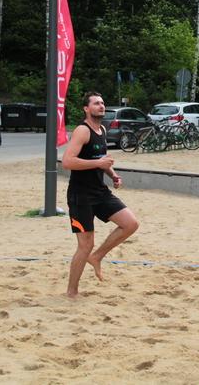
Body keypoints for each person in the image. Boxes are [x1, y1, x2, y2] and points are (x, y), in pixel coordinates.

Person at [62, 91, 140, 298]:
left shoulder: (102, 129)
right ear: (86, 109)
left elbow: (101, 158)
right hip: (80, 196)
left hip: (100, 191)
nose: (101, 106)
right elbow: (67, 162)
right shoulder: (82, 130)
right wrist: (98, 163)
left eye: (102, 103)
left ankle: (97, 257)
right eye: (96, 103)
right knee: (85, 245)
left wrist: (113, 174)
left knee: (130, 224)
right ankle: (72, 292)